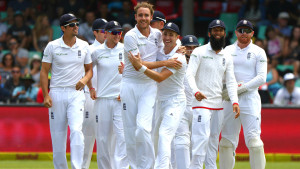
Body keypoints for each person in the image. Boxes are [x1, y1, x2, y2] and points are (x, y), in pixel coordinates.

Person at [121, 2, 181, 168]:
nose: (143, 18)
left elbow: (165, 51)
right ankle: (135, 166)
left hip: (149, 85)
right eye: (140, 15)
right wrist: (165, 62)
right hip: (129, 84)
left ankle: (147, 166)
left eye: (146, 15)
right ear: (135, 17)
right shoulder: (130, 36)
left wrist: (179, 50)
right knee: (130, 131)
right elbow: (137, 65)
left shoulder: (157, 35)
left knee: (142, 128)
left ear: (151, 17)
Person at [40, 13, 93, 169]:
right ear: (63, 28)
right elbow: (44, 71)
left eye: (77, 23)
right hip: (56, 92)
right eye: (72, 25)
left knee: (77, 130)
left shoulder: (84, 45)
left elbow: (89, 70)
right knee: (58, 136)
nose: (76, 26)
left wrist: (84, 80)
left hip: (76, 93)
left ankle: (77, 167)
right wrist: (46, 95)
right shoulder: (52, 46)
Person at [185, 19, 240, 169]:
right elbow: (189, 75)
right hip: (201, 103)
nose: (218, 33)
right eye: (215, 30)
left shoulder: (227, 56)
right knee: (201, 139)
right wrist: (195, 91)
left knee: (213, 140)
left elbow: (230, 81)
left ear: (224, 33)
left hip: (218, 105)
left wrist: (235, 101)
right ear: (209, 33)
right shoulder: (199, 51)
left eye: (220, 30)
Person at [219, 20, 267, 169]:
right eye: (241, 30)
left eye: (247, 30)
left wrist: (241, 88)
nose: (243, 33)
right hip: (229, 99)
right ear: (236, 32)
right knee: (226, 142)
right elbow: (220, 73)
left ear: (252, 33)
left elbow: (261, 78)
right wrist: (228, 89)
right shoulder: (226, 50)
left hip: (249, 99)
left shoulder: (258, 51)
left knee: (254, 142)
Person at [88, 20, 129, 169]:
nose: (117, 35)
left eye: (119, 32)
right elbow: (87, 70)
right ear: (106, 34)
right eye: (114, 33)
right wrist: (91, 87)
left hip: (120, 100)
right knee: (103, 140)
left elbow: (136, 71)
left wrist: (125, 88)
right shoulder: (96, 52)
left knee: (122, 138)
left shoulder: (125, 50)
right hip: (102, 100)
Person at [81, 17, 107, 169]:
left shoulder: (117, 49)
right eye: (103, 31)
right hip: (89, 96)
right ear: (95, 33)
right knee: (87, 135)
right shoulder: (89, 50)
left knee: (108, 138)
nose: (106, 34)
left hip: (108, 97)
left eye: (108, 31)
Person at [173, 35, 199, 169]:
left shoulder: (201, 63)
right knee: (181, 141)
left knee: (196, 144)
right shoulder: (176, 61)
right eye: (188, 47)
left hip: (197, 108)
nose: (191, 50)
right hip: (180, 106)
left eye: (194, 47)